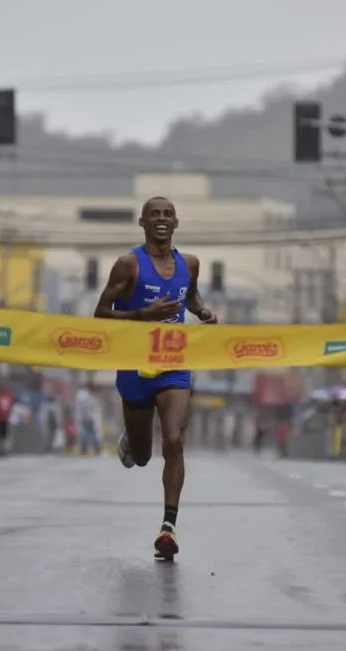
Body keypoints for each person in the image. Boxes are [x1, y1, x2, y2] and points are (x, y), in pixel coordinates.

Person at [94, 196, 217, 560]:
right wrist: (141, 316)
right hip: (134, 366)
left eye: (167, 215)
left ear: (176, 223)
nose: (161, 220)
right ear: (142, 223)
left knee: (175, 441)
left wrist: (203, 311)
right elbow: (100, 313)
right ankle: (132, 441)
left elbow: (189, 295)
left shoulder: (189, 264)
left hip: (174, 363)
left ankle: (169, 526)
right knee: (144, 456)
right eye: (154, 215)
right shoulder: (128, 265)